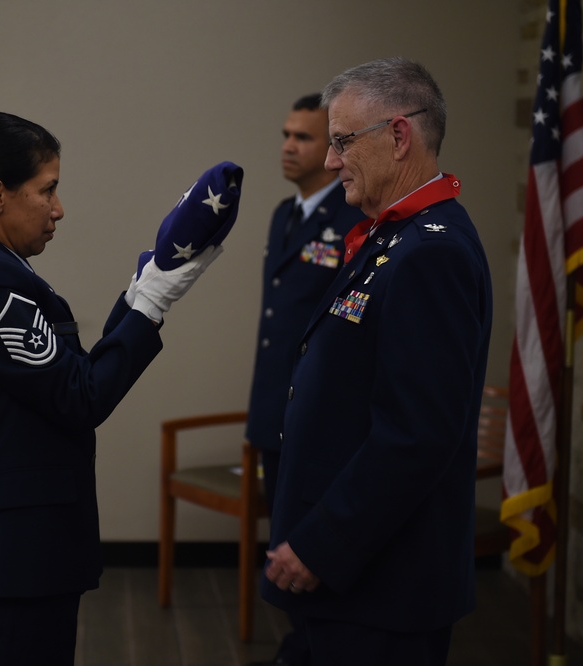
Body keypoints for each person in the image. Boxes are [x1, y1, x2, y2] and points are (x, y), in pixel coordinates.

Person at [0, 111, 240, 665]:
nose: (58, 209)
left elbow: (69, 376)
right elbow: (81, 397)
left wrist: (142, 288)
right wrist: (152, 303)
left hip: (19, 559)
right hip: (6, 567)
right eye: (47, 190)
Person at [258, 58, 493, 665]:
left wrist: (320, 543)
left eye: (341, 142)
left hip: (382, 584)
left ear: (398, 136)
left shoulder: (430, 253)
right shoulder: (393, 236)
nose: (331, 161)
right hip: (355, 580)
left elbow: (416, 435)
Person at [244, 93, 363, 666]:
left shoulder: (353, 219)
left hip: (317, 416)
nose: (289, 147)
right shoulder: (283, 215)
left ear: (334, 148)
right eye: (286, 134)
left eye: (306, 137)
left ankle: (315, 646)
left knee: (312, 543)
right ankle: (304, 642)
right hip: (275, 406)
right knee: (282, 534)